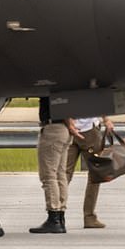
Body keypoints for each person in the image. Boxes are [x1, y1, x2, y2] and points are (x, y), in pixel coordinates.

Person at [29, 97, 80, 234]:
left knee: (49, 175)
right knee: (59, 174)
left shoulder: (51, 84)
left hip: (53, 129)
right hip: (63, 130)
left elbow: (60, 105)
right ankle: (61, 216)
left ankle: (54, 217)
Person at [65, 116, 114, 229]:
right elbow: (96, 101)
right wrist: (106, 120)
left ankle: (57, 213)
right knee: (94, 174)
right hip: (89, 131)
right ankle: (89, 217)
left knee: (64, 174)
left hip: (68, 129)